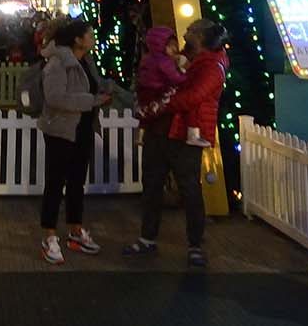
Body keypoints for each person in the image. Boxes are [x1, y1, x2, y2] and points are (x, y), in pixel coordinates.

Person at [125, 21, 227, 267]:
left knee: (189, 187)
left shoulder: (212, 67)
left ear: (201, 37)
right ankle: (147, 237)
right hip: (160, 130)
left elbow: (193, 97)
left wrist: (158, 105)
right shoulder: (184, 59)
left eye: (190, 31)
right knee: (151, 184)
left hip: (184, 134)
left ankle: (195, 243)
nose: (184, 35)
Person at [35, 17, 112, 264]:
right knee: (56, 182)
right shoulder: (58, 63)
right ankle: (49, 236)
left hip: (83, 127)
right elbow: (56, 98)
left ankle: (75, 230)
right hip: (61, 129)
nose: (92, 38)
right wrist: (91, 101)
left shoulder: (86, 62)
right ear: (77, 39)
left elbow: (91, 89)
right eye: (89, 34)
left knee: (77, 180)